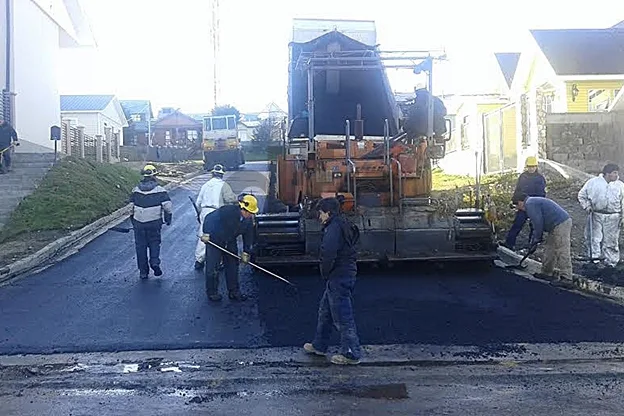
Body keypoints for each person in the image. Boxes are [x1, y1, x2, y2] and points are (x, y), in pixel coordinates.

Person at [303, 197, 362, 365]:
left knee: (342, 316)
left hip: (339, 276)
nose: (319, 217)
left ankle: (351, 353)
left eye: (320, 213)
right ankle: (319, 346)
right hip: (343, 274)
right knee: (326, 313)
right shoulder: (342, 223)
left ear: (328, 213)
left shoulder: (333, 228)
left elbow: (328, 253)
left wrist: (325, 272)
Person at [200, 194, 258, 302]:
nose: (250, 215)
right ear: (242, 208)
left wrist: (246, 252)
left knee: (232, 266)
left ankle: (234, 292)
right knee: (212, 268)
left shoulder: (248, 221)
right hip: (215, 241)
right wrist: (206, 233)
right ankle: (212, 292)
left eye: (252, 213)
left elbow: (248, 237)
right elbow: (209, 218)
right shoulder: (227, 211)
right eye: (249, 212)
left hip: (230, 241)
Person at [514, 193, 572, 283]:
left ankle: (567, 278)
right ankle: (546, 272)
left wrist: (537, 238)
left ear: (520, 202)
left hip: (561, 223)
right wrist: (534, 240)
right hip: (554, 226)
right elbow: (535, 224)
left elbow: (538, 223)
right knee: (549, 249)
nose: (518, 208)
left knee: (561, 250)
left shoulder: (530, 204)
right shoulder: (532, 202)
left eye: (517, 205)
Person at [129, 164, 173, 279]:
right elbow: (168, 207)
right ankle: (154, 262)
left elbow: (130, 208)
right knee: (154, 243)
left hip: (139, 224)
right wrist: (168, 219)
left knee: (140, 247)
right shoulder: (160, 190)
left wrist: (133, 220)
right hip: (154, 223)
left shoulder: (136, 190)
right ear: (154, 176)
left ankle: (143, 272)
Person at [577, 163, 624, 268]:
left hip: (613, 216)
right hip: (596, 214)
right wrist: (587, 206)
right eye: (614, 173)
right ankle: (595, 260)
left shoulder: (620, 185)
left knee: (611, 240)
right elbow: (582, 195)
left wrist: (622, 217)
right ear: (607, 173)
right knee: (594, 238)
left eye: (617, 173)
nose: (616, 175)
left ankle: (611, 262)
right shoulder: (593, 183)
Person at [194, 164, 238, 270]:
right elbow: (229, 199)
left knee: (204, 236)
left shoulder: (205, 185)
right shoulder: (224, 185)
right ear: (222, 175)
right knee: (220, 237)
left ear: (212, 174)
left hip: (205, 212)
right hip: (217, 214)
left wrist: (199, 215)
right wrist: (238, 200)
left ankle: (199, 260)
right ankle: (220, 261)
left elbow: (198, 202)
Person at [503, 156, 546, 250]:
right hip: (523, 206)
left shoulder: (540, 179)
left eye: (533, 166)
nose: (531, 168)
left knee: (534, 227)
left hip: (534, 206)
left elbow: (541, 195)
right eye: (529, 166)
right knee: (517, 224)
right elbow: (518, 190)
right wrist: (514, 201)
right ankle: (509, 243)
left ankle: (532, 246)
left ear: (536, 167)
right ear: (527, 166)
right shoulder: (523, 177)